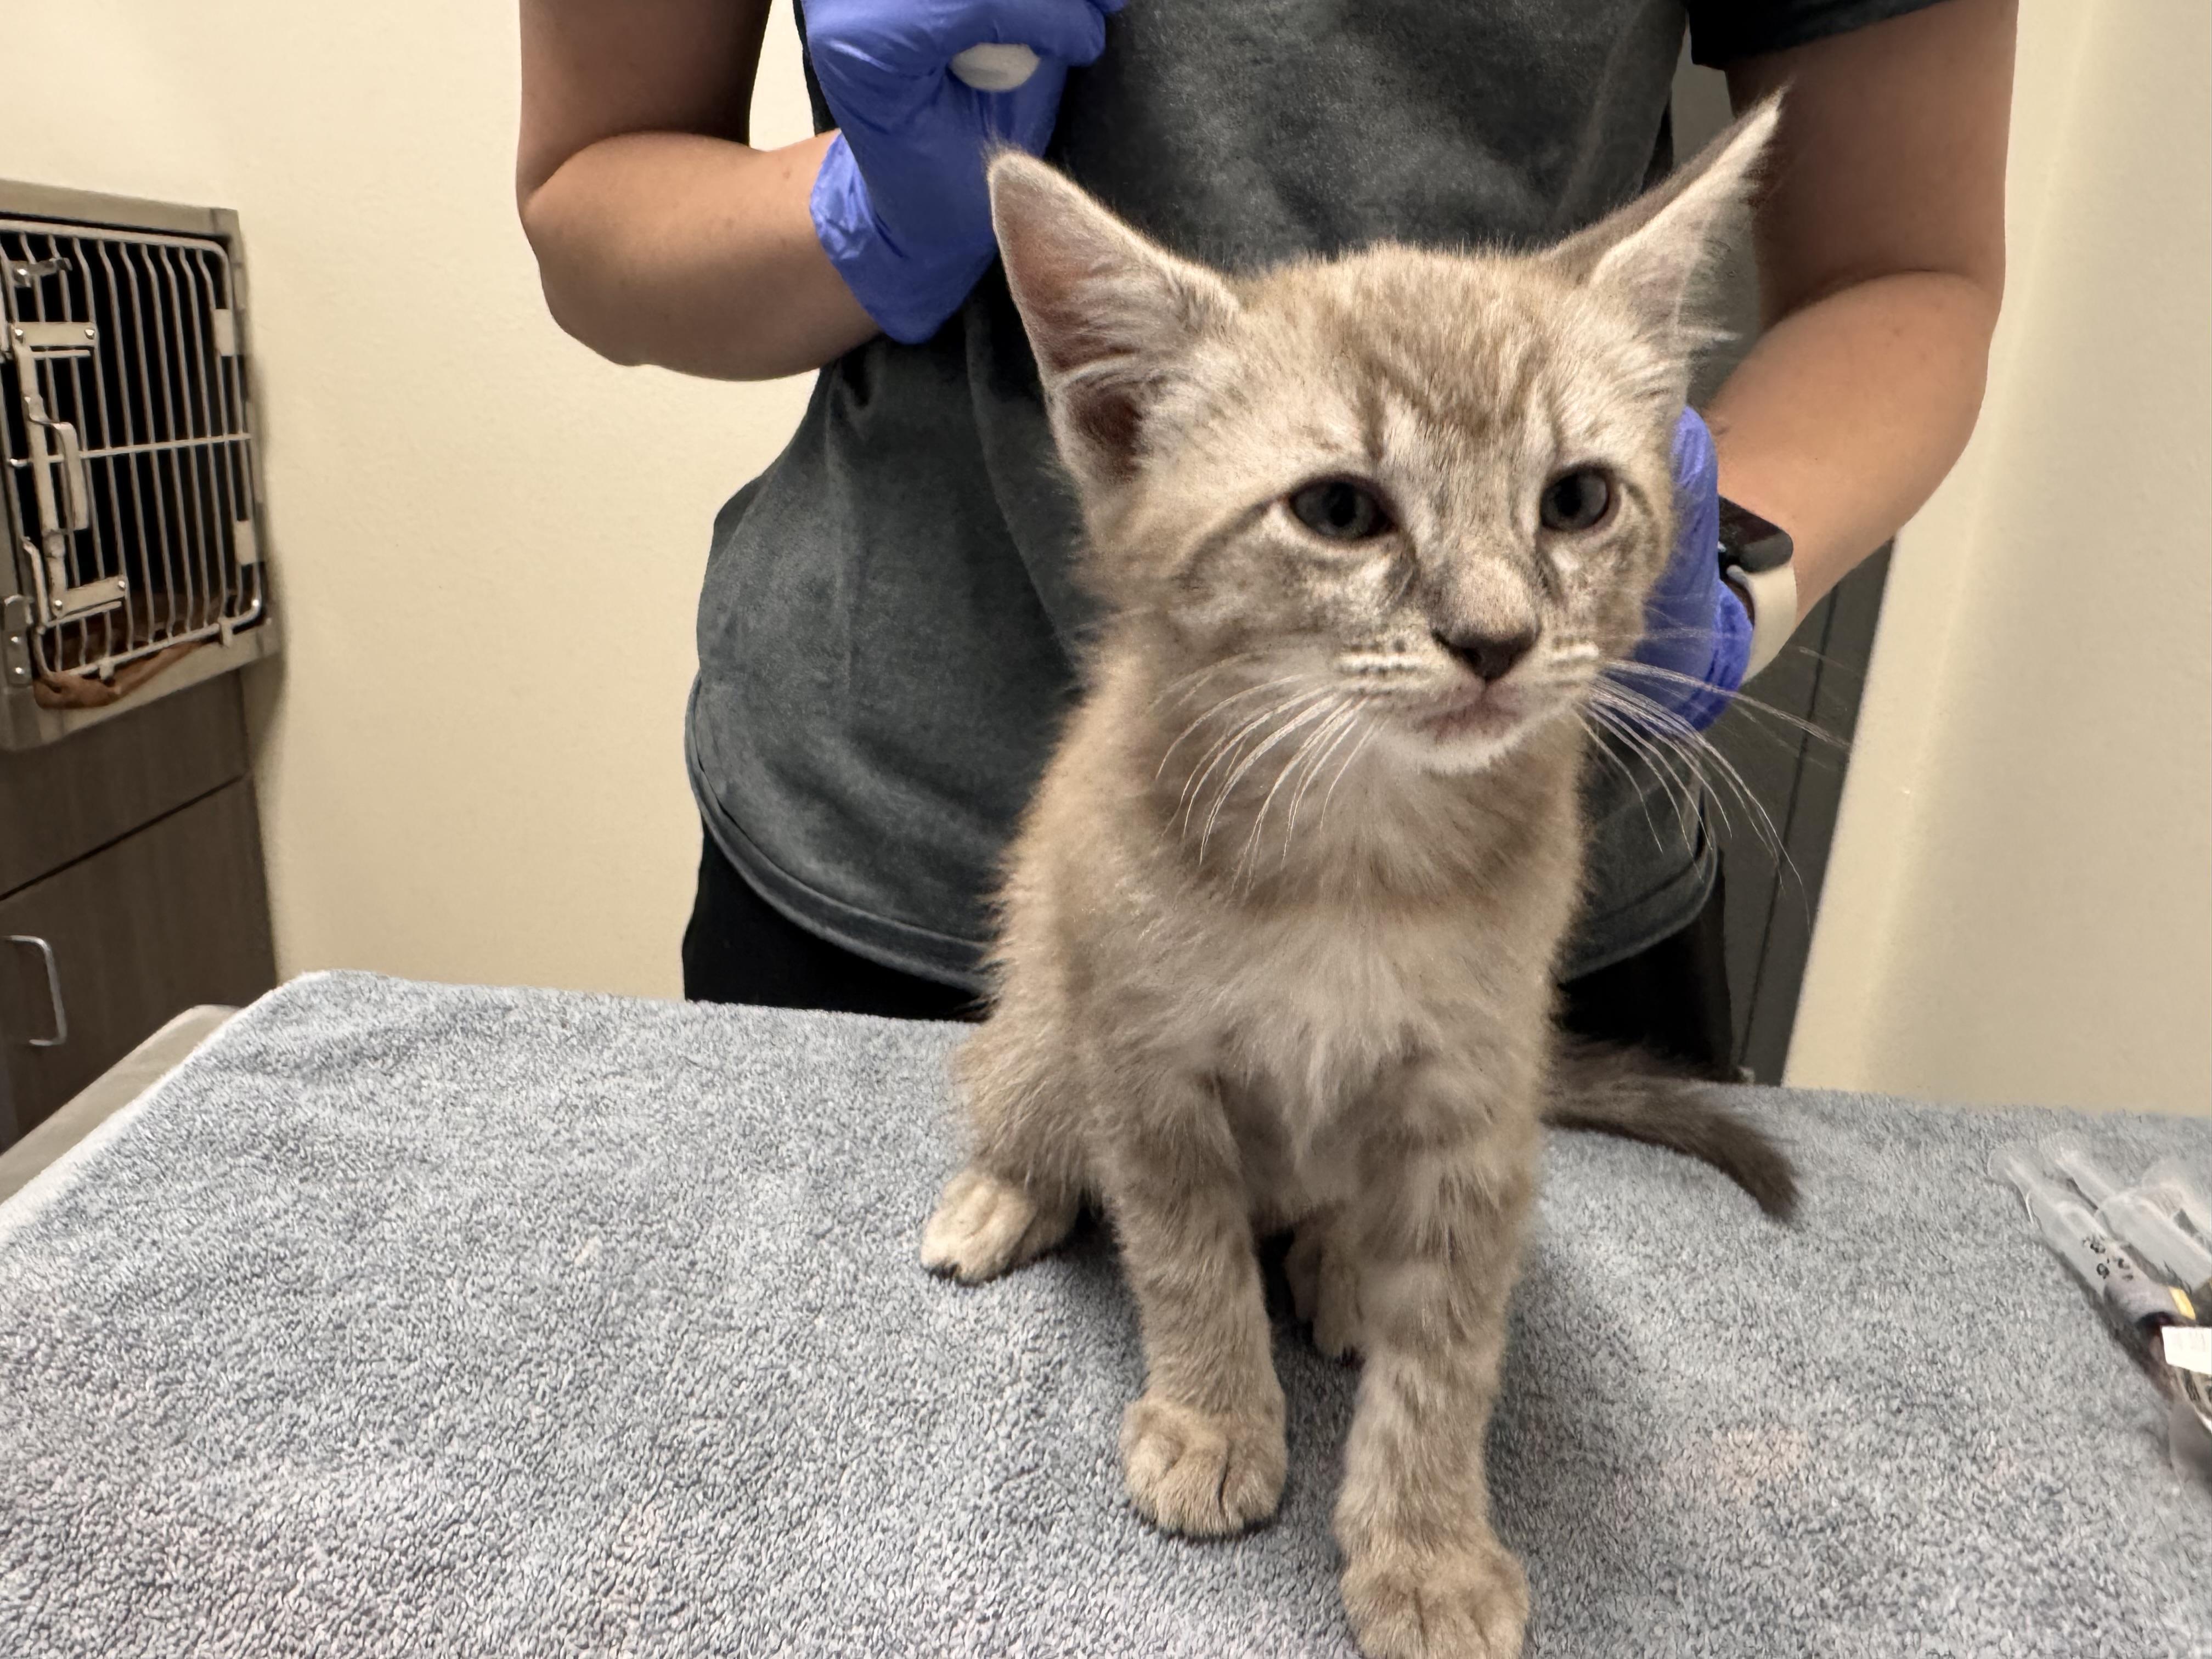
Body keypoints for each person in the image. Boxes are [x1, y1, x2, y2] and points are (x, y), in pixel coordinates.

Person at [516, 0, 2013, 1070]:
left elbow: (1908, 268)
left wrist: (1732, 554)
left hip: (1511, 898)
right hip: (906, 872)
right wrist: (866, 215)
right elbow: (592, 192)